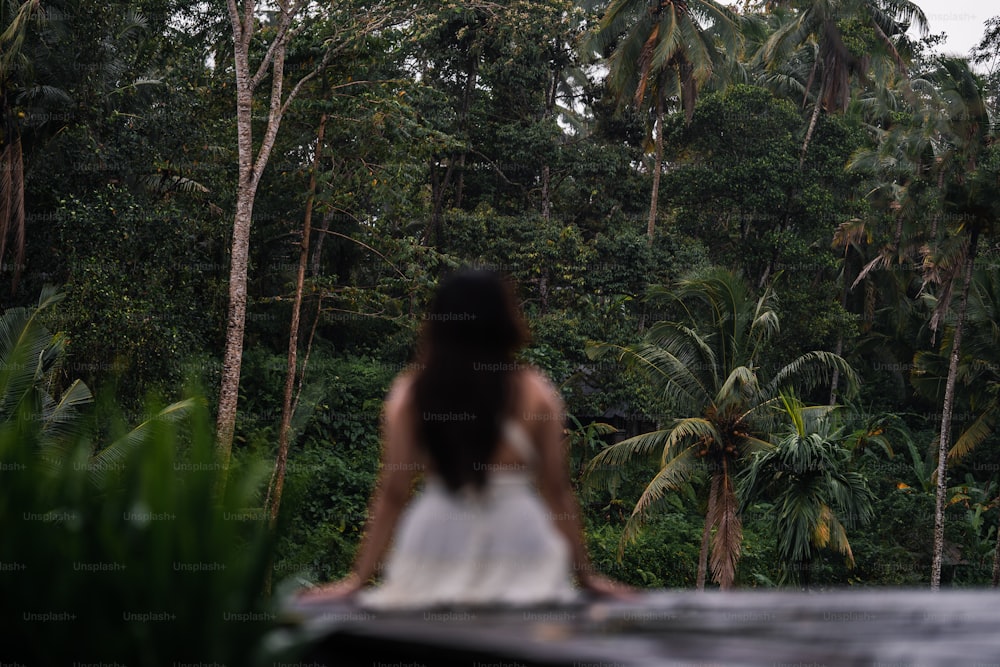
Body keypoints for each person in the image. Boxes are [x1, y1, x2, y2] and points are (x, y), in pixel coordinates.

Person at [300, 268, 628, 608]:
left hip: (438, 537)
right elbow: (556, 491)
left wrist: (356, 581)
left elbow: (394, 492)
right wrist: (587, 578)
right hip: (517, 537)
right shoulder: (534, 391)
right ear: (504, 321)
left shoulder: (413, 393)